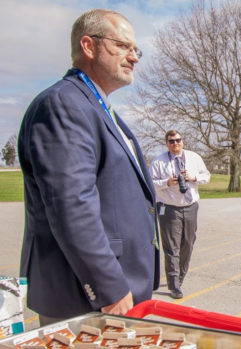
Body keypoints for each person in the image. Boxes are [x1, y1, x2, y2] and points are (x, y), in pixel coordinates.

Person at [18, 9, 160, 326]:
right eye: (122, 45)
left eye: (135, 49)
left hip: (115, 292)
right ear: (88, 45)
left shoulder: (98, 108)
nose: (134, 57)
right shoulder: (63, 104)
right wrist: (107, 285)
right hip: (85, 297)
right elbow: (71, 204)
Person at [149, 130, 210, 299]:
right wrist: (166, 182)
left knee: (188, 243)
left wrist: (193, 177)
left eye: (178, 140)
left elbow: (207, 177)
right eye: (171, 141)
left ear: (182, 141)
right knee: (171, 247)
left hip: (190, 206)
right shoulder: (159, 161)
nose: (175, 143)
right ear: (167, 143)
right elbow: (150, 183)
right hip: (169, 208)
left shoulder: (194, 158)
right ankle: (174, 283)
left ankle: (180, 276)